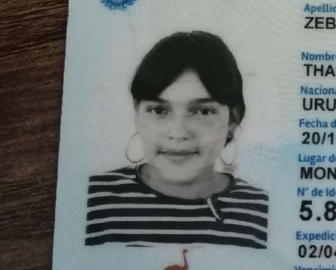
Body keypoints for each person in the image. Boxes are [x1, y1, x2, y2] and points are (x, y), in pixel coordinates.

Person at [85, 31, 268, 249]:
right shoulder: (93, 200)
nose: (178, 133)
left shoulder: (261, 212)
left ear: (232, 119)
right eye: (158, 110)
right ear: (137, 114)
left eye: (203, 111)